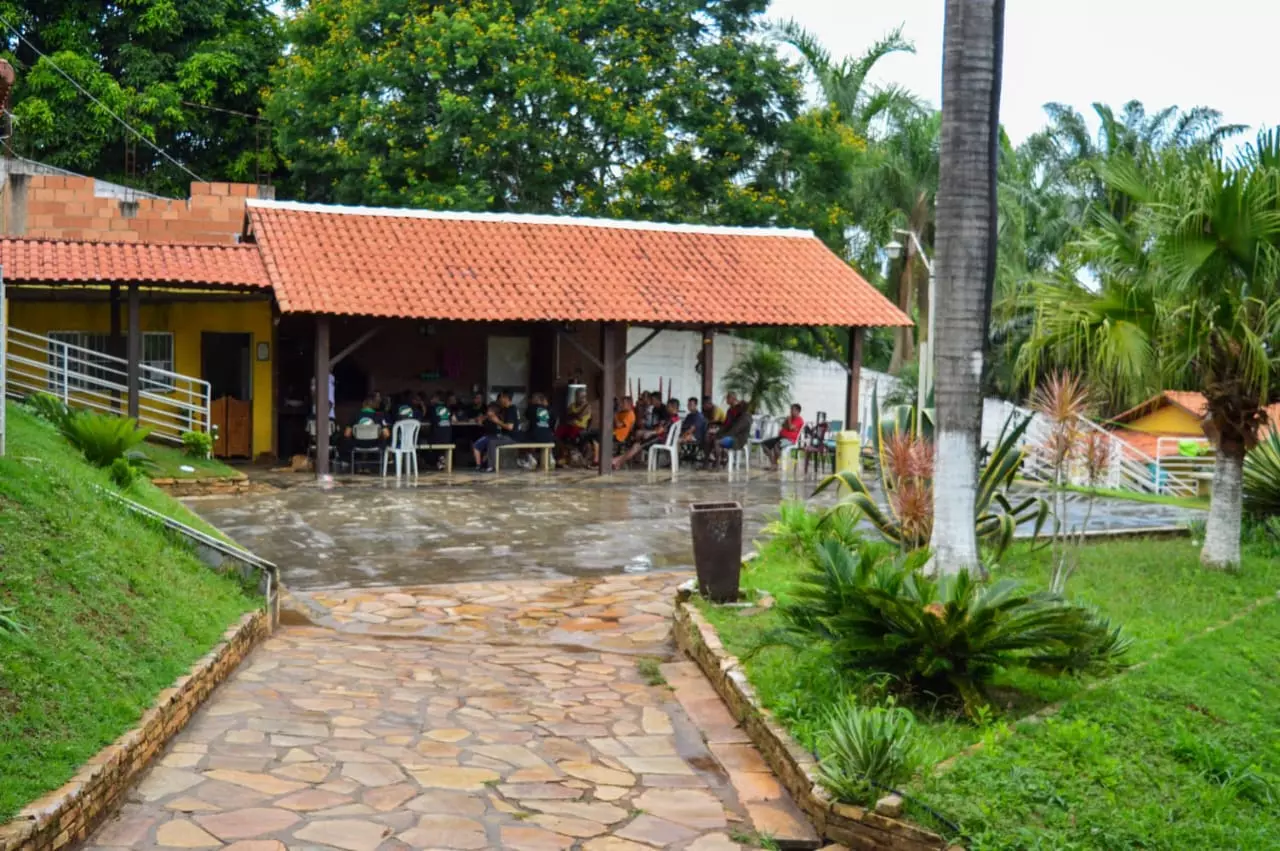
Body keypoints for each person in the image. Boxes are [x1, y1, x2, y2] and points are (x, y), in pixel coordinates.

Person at [613, 398, 680, 470]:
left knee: (636, 446)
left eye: (668, 406)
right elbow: (661, 428)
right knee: (637, 443)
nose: (666, 408)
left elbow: (659, 431)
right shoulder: (676, 418)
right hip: (663, 439)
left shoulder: (671, 419)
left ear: (672, 407)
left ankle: (618, 462)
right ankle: (617, 460)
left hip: (661, 439)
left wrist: (650, 433)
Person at [341, 396, 389, 471]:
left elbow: (346, 434)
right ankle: (375, 465)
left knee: (344, 440)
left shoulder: (355, 415)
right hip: (374, 444)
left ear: (363, 404)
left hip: (358, 444)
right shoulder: (379, 416)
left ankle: (350, 462)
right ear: (374, 405)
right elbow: (387, 434)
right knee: (384, 441)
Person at [517, 392, 556, 470]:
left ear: (535, 400)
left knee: (520, 438)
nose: (530, 401)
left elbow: (527, 417)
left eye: (532, 399)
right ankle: (550, 457)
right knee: (537, 434)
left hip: (536, 436)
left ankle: (530, 458)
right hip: (548, 437)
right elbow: (552, 423)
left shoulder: (531, 408)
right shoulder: (549, 409)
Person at [592, 396, 636, 466]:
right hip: (612, 432)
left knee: (598, 437)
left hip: (619, 436)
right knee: (593, 434)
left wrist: (615, 413)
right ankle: (597, 458)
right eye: (621, 403)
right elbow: (612, 423)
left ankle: (597, 459)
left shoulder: (630, 414)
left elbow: (618, 425)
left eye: (623, 403)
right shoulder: (621, 413)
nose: (621, 405)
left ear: (629, 404)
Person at [763, 403, 804, 469]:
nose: (791, 411)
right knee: (765, 445)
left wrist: (789, 420)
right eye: (791, 409)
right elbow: (784, 426)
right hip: (781, 437)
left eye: (792, 410)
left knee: (777, 446)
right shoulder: (790, 418)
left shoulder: (799, 420)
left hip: (790, 439)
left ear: (798, 411)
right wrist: (788, 423)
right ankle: (773, 463)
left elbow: (790, 427)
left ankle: (775, 465)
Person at [424, 390, 454, 469]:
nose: (430, 400)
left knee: (426, 441)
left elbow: (426, 418)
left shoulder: (432, 408)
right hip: (448, 437)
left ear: (437, 399)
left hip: (437, 437)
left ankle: (439, 459)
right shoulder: (447, 408)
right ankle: (441, 459)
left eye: (432, 398)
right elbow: (452, 419)